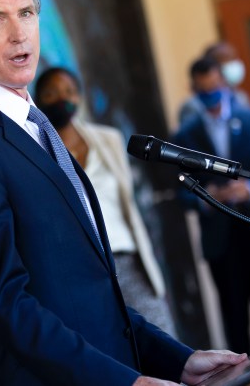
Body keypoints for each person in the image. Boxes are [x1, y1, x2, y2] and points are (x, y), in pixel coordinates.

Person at [0, 0, 247, 386]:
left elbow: (86, 294)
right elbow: (2, 305)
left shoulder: (35, 127)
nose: (20, 35)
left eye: (26, 13)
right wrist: (123, 382)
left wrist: (177, 360)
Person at [33, 66, 176, 335]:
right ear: (38, 100)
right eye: (52, 93)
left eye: (69, 91)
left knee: (165, 340)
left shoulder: (108, 139)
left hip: (128, 259)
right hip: (81, 268)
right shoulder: (38, 150)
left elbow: (128, 203)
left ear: (80, 96)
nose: (62, 99)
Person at [172, 57, 250, 354]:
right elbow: (181, 193)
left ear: (224, 84)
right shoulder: (186, 136)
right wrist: (208, 197)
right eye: (203, 90)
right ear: (194, 90)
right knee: (236, 323)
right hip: (223, 243)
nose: (211, 95)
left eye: (215, 88)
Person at [178, 41, 250, 127]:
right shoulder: (192, 107)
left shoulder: (240, 97)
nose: (233, 64)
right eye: (227, 60)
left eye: (234, 58)